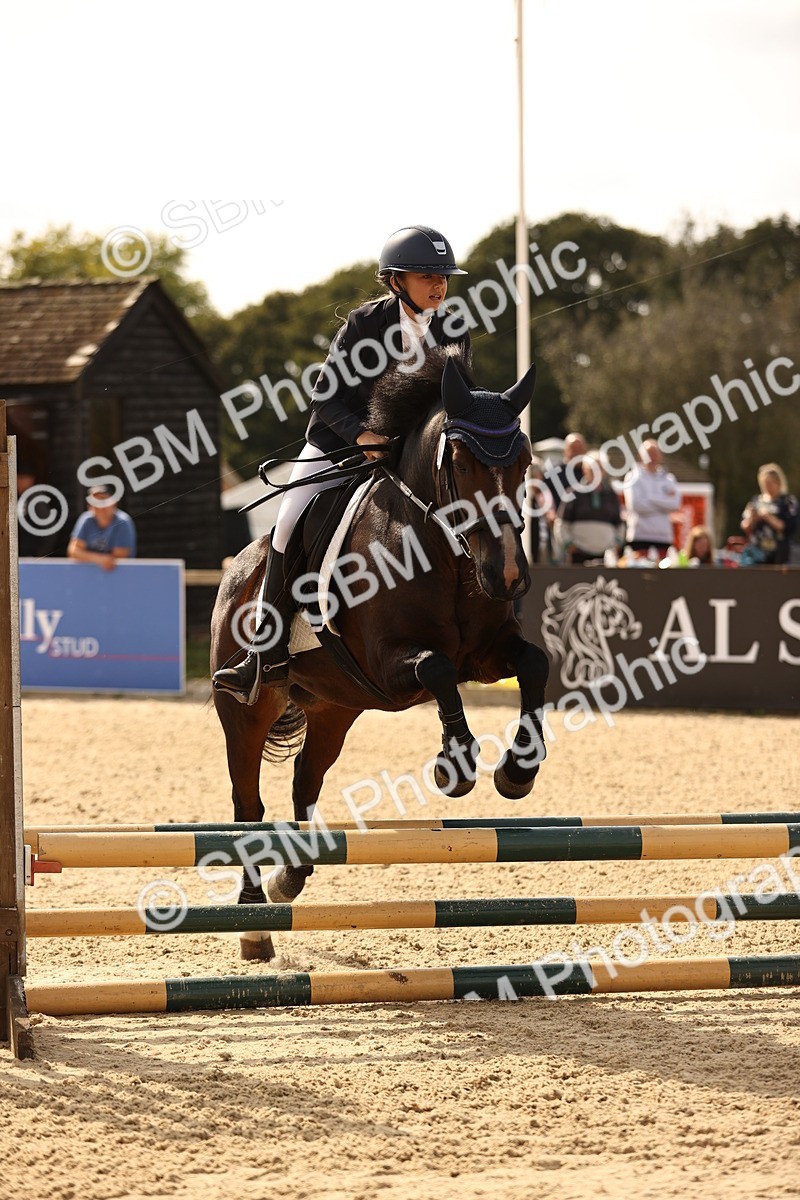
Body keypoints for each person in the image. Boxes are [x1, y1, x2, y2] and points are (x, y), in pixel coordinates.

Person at [213, 225, 471, 702]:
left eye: (443, 276)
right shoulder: (364, 325)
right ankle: (263, 655)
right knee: (288, 524)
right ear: (395, 281)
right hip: (339, 446)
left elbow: (452, 403)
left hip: (407, 459)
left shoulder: (453, 329)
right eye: (426, 275)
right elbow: (324, 398)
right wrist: (362, 435)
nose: (439, 285)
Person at [555, 452, 623, 564]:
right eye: (592, 468)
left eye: (600, 468)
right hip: (578, 557)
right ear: (584, 470)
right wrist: (569, 544)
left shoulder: (612, 495)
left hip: (606, 558)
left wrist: (617, 544)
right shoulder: (572, 493)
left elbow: (619, 524)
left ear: (604, 471)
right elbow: (561, 524)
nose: (596, 472)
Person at [622, 440, 680, 558]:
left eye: (655, 453)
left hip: (663, 538)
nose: (652, 457)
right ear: (640, 455)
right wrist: (663, 501)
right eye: (648, 453)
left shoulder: (669, 479)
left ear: (660, 456)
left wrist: (648, 498)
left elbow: (674, 504)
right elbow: (635, 505)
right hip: (639, 537)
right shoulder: (632, 477)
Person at [740, 463, 798, 566]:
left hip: (780, 552)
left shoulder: (788, 501)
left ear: (778, 483)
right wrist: (753, 518)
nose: (768, 487)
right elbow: (744, 525)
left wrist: (768, 517)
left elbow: (789, 526)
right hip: (757, 551)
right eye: (765, 483)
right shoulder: (756, 501)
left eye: (771, 483)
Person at [67, 487, 136, 570]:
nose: (99, 506)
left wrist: (86, 556)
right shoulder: (86, 519)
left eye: (103, 501)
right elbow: (73, 551)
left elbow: (118, 557)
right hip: (89, 574)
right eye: (95, 501)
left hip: (120, 575)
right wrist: (99, 559)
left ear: (113, 503)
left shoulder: (123, 522)